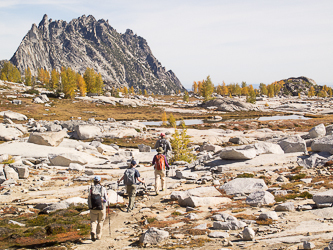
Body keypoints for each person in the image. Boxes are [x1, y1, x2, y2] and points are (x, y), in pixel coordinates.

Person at [88, 176, 108, 241]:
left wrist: (90, 206)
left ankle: (93, 231)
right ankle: (98, 235)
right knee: (100, 221)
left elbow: (89, 198)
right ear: (100, 181)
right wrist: (105, 202)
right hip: (101, 207)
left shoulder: (91, 188)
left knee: (93, 221)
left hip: (93, 207)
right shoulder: (103, 188)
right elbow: (106, 198)